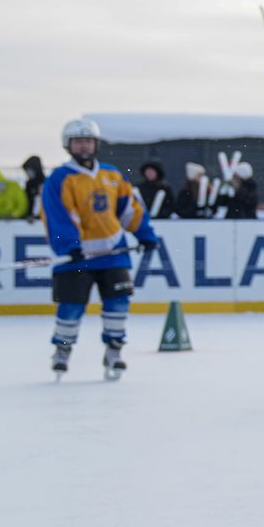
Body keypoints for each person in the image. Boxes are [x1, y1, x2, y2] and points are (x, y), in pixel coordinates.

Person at [43, 119, 161, 380]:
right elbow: (57, 216)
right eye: (78, 141)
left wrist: (145, 235)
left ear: (96, 144)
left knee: (118, 305)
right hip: (76, 258)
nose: (83, 145)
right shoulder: (60, 179)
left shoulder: (112, 175)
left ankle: (114, 350)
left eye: (88, 140)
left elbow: (130, 208)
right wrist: (70, 246)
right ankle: (62, 350)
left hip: (113, 254)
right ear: (68, 145)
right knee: (71, 307)